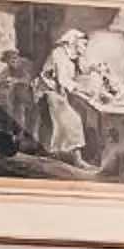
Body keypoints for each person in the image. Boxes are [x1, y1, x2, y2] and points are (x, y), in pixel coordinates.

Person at [35, 26, 89, 162]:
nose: (85, 47)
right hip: (46, 92)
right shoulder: (58, 53)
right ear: (74, 42)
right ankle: (77, 159)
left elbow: (79, 74)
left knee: (72, 116)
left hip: (58, 93)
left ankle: (59, 152)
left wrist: (93, 70)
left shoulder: (72, 57)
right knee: (73, 120)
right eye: (84, 44)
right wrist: (83, 90)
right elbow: (63, 80)